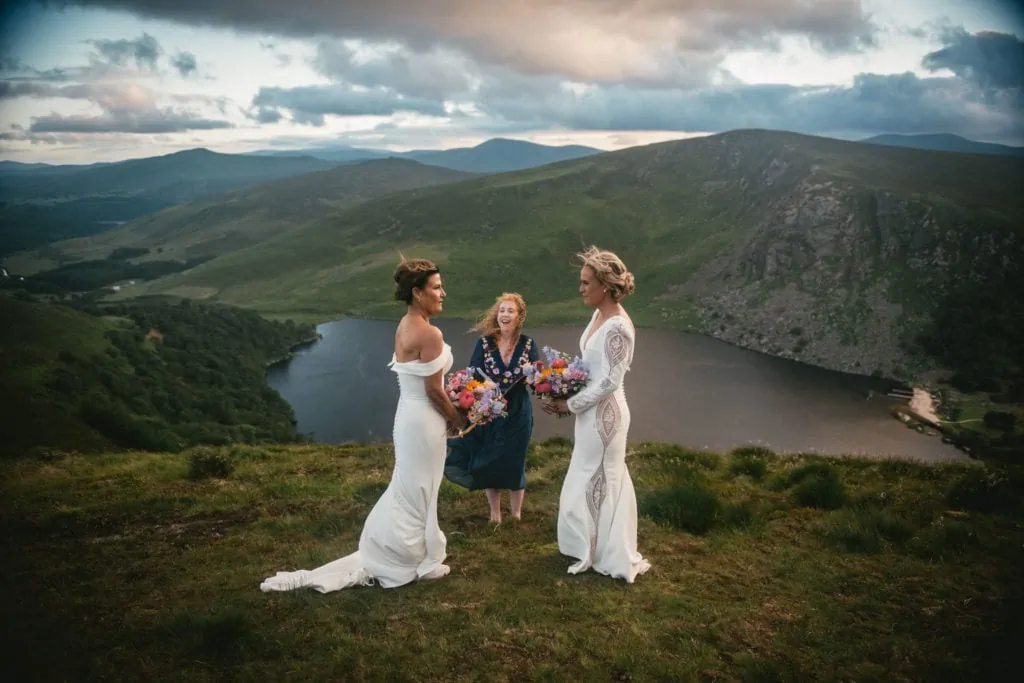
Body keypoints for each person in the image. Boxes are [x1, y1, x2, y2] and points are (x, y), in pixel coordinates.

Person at [260, 257, 466, 593]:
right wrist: (458, 417)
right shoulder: (430, 333)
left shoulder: (405, 324)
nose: (444, 293)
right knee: (419, 487)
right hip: (425, 420)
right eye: (437, 287)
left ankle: (416, 556)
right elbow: (433, 391)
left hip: (409, 417)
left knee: (413, 486)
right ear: (417, 292)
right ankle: (402, 558)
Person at [544, 246, 651, 583]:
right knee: (587, 472)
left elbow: (609, 380)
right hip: (590, 412)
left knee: (601, 475)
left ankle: (601, 549)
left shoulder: (619, 326)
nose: (581, 289)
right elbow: (591, 368)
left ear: (605, 286)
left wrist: (569, 404)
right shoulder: (598, 316)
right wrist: (564, 383)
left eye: (586, 282)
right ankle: (588, 543)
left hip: (606, 416)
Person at [445, 293, 540, 523]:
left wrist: (532, 376)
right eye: (502, 311)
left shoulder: (528, 344)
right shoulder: (484, 343)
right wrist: (482, 387)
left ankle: (516, 516)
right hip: (488, 410)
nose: (505, 315)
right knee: (491, 458)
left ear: (520, 316)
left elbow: (536, 380)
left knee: (515, 459)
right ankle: (495, 516)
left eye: (510, 311)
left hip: (518, 411)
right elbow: (473, 373)